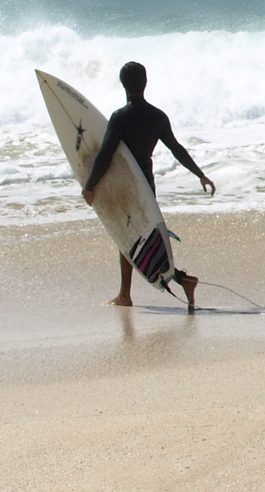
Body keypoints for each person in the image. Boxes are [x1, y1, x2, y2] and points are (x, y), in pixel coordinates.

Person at [81, 61, 215, 312]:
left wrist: (90, 186)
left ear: (123, 84)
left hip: (126, 185)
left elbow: (106, 154)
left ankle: (126, 294)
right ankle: (180, 279)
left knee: (127, 236)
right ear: (145, 83)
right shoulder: (158, 116)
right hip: (147, 184)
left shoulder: (120, 117)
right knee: (140, 236)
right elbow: (176, 149)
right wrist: (200, 174)